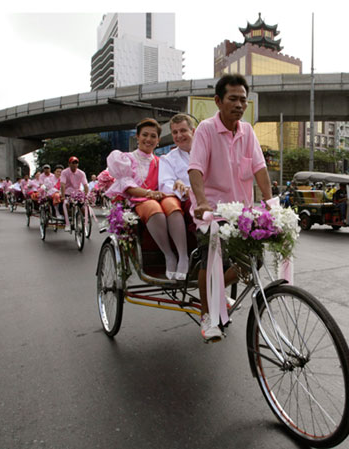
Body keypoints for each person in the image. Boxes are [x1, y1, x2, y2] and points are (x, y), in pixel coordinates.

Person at [188, 73, 272, 342]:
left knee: (255, 260)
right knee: (213, 254)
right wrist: (201, 201)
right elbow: (196, 168)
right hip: (212, 209)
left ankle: (217, 290)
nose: (239, 104)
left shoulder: (248, 132)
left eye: (243, 100)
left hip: (242, 212)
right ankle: (207, 315)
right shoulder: (205, 130)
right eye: (233, 99)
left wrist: (271, 206)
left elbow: (260, 170)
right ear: (218, 101)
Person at [106, 118, 189, 280]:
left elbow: (168, 181)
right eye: (145, 135)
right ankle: (169, 255)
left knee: (173, 205)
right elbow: (127, 185)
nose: (148, 139)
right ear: (137, 136)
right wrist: (148, 193)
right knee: (154, 209)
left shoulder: (162, 161)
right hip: (140, 200)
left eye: (153, 136)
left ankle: (184, 256)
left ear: (158, 140)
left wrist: (178, 183)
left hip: (162, 197)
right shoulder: (126, 158)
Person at [159, 113, 195, 226]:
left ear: (193, 131)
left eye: (183, 130)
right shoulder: (167, 159)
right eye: (175, 132)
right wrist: (183, 190)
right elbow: (165, 184)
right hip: (189, 202)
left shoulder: (208, 151)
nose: (179, 135)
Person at [60, 157, 89, 231]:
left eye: (76, 163)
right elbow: (62, 184)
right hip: (67, 192)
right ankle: (67, 224)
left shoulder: (81, 173)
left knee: (84, 205)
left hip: (77, 193)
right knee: (65, 204)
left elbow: (85, 185)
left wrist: (86, 195)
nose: (74, 164)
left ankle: (83, 221)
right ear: (69, 164)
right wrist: (63, 196)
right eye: (73, 163)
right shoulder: (64, 172)